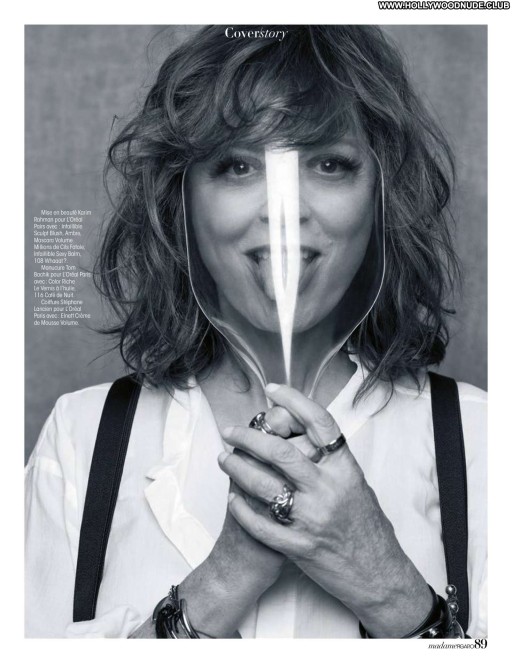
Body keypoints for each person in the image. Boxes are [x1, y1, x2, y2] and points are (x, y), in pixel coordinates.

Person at [25, 25, 487, 638]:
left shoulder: (483, 438)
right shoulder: (82, 439)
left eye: (329, 164)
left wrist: (386, 584)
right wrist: (223, 581)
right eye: (238, 165)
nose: (284, 210)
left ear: (382, 197)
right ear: (180, 202)